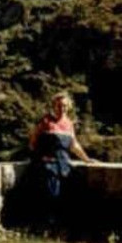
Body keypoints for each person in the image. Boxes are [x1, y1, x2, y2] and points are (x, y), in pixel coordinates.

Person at [29, 92, 91, 222]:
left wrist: (86, 159)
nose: (61, 108)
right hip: (48, 167)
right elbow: (33, 142)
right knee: (50, 197)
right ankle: (46, 228)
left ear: (68, 107)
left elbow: (74, 145)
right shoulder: (45, 121)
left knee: (64, 198)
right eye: (58, 105)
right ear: (53, 106)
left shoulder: (69, 124)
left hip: (64, 167)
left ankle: (60, 229)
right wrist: (41, 158)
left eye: (64, 106)